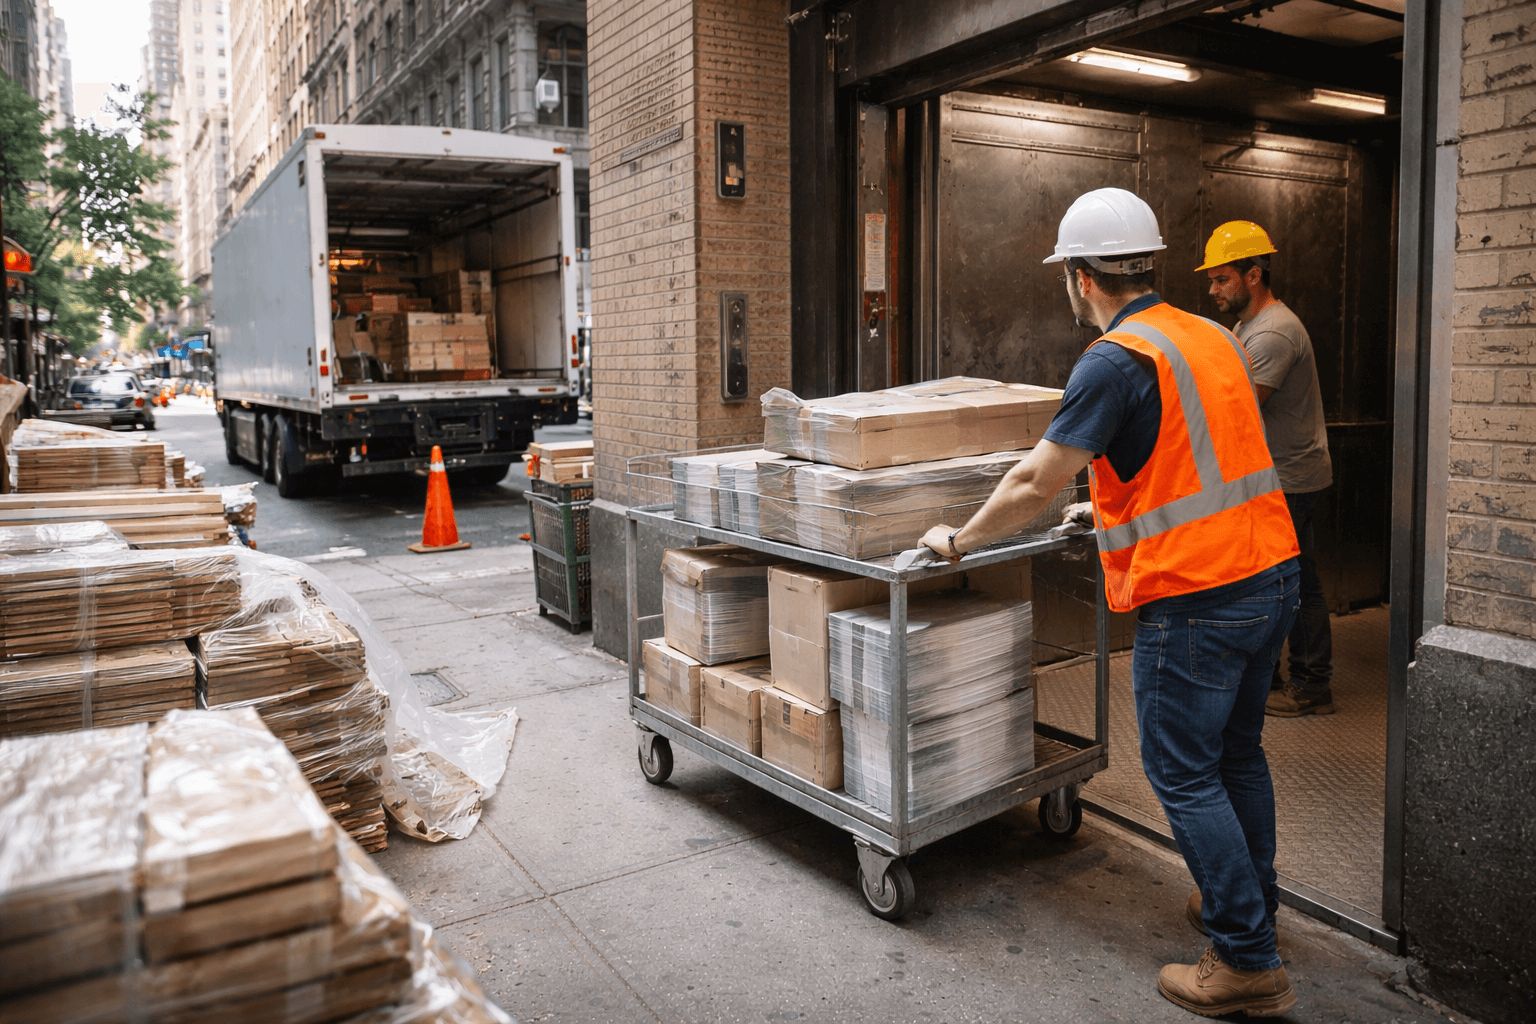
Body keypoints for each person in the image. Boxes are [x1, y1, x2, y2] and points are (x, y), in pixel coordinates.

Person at [919, 188, 1301, 1018]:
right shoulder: (1209, 336)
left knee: (1183, 772)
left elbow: (1031, 480)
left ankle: (1245, 958)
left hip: (1197, 597)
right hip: (1271, 572)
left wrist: (962, 542)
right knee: (1237, 756)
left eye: (1068, 273)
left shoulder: (1116, 358)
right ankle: (1248, 902)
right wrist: (1114, 504)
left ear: (1081, 277)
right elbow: (1198, 454)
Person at [1198, 222, 1335, 718]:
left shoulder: (1273, 332)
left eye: (1221, 279)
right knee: (1293, 578)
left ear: (1253, 275)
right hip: (1278, 475)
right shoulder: (1248, 328)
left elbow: (1239, 410)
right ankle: (1285, 679)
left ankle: (1310, 683)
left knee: (1292, 582)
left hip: (1290, 479)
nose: (1213, 290)